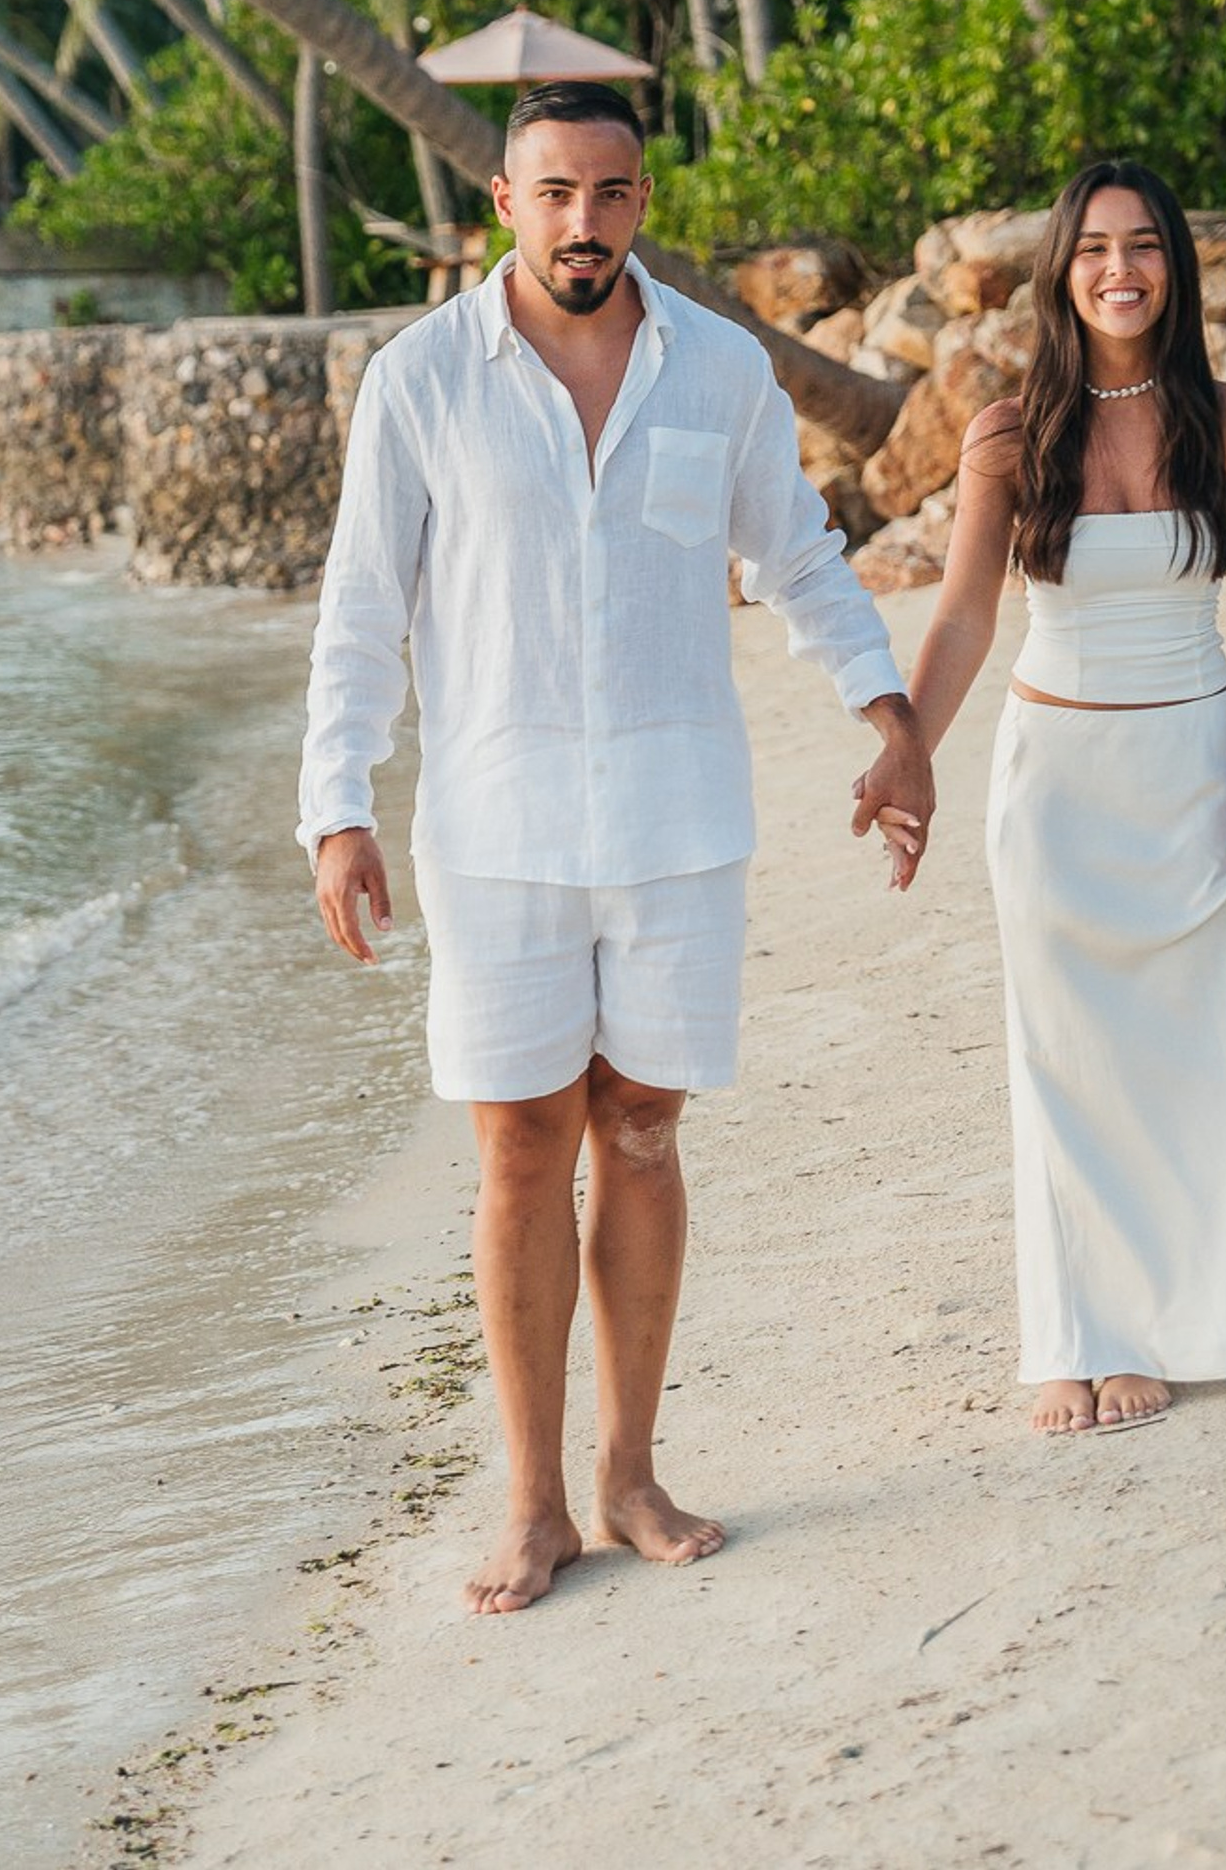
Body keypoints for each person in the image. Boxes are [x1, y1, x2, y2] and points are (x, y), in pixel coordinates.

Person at [299, 78, 935, 1614]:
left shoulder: (717, 367)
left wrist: (888, 710)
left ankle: (630, 1474)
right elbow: (363, 604)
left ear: (643, 202)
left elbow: (795, 554)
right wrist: (338, 808)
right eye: (556, 192)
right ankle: (532, 1506)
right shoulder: (421, 379)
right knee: (522, 1147)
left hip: (675, 816)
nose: (584, 220)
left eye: (611, 192)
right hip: (494, 825)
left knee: (642, 1130)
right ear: (505, 205)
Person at [889, 160, 1226, 1437]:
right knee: (1065, 1061)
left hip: (1196, 774)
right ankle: (1077, 1338)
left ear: (1174, 267)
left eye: (1141, 246)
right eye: (1091, 249)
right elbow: (963, 618)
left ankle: (1181, 1319)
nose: (1117, 269)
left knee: (1194, 1053)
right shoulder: (1007, 432)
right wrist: (907, 748)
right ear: (1059, 272)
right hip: (1055, 786)